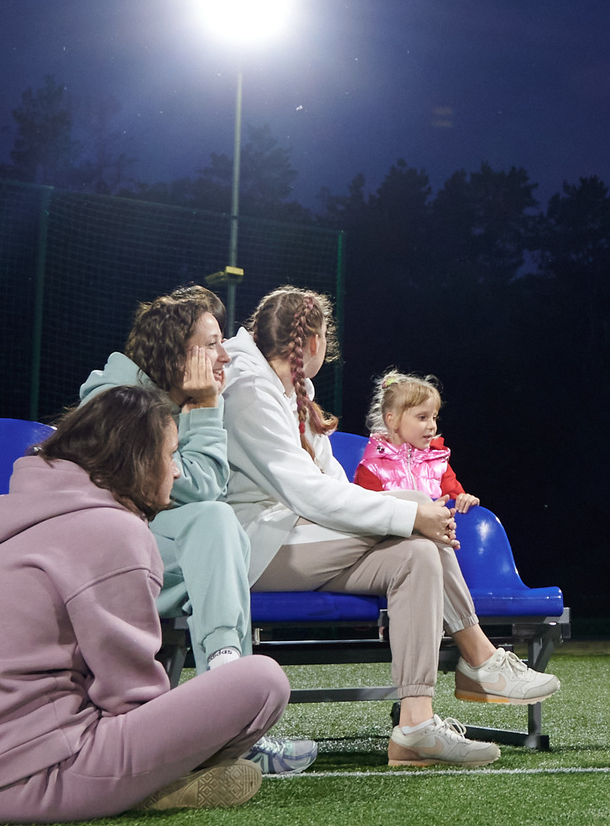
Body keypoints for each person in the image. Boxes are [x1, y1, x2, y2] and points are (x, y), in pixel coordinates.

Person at [0, 386, 293, 823]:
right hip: (29, 776)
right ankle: (148, 787)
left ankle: (144, 783)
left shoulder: (27, 514)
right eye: (170, 454)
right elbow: (130, 698)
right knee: (264, 680)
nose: (177, 472)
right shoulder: (114, 529)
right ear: (137, 459)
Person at [223, 286, 562, 767]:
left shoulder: (291, 388)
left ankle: (415, 728)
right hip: (261, 548)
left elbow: (333, 485)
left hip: (301, 541)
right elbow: (308, 494)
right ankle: (480, 659)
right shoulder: (249, 389)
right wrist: (412, 514)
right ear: (315, 342)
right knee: (414, 519)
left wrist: (413, 512)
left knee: (418, 555)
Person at [77, 286, 317, 776]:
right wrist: (208, 405)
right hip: (100, 564)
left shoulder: (180, 397)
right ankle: (230, 701)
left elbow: (199, 489)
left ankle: (230, 717)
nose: (224, 353)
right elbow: (194, 489)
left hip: (160, 557)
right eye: (210, 343)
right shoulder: (114, 400)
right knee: (214, 519)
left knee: (215, 527)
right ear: (174, 351)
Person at [353, 371, 480, 506]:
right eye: (422, 417)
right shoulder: (371, 468)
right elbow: (370, 516)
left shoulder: (439, 465)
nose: (432, 426)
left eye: (434, 418)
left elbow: (456, 505)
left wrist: (466, 500)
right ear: (392, 420)